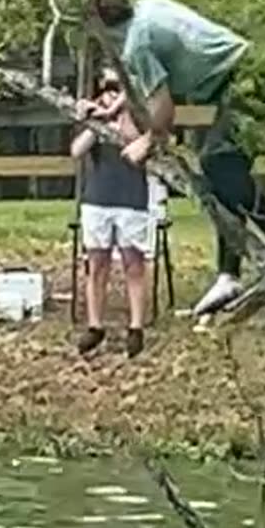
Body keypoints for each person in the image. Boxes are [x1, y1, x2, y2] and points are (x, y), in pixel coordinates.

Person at [88, 0, 265, 317]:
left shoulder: (136, 45)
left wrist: (149, 140)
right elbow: (141, 78)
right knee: (221, 175)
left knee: (216, 161)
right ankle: (228, 274)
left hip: (245, 78)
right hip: (253, 71)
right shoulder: (148, 7)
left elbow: (162, 107)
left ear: (101, 26)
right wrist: (115, 108)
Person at [72, 67, 150, 358]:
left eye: (116, 86)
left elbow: (135, 139)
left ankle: (136, 326)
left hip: (131, 198)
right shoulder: (92, 118)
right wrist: (95, 121)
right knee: (97, 263)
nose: (109, 92)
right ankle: (95, 325)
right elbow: (77, 151)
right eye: (105, 86)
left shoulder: (137, 114)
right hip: (97, 198)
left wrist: (119, 114)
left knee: (134, 264)